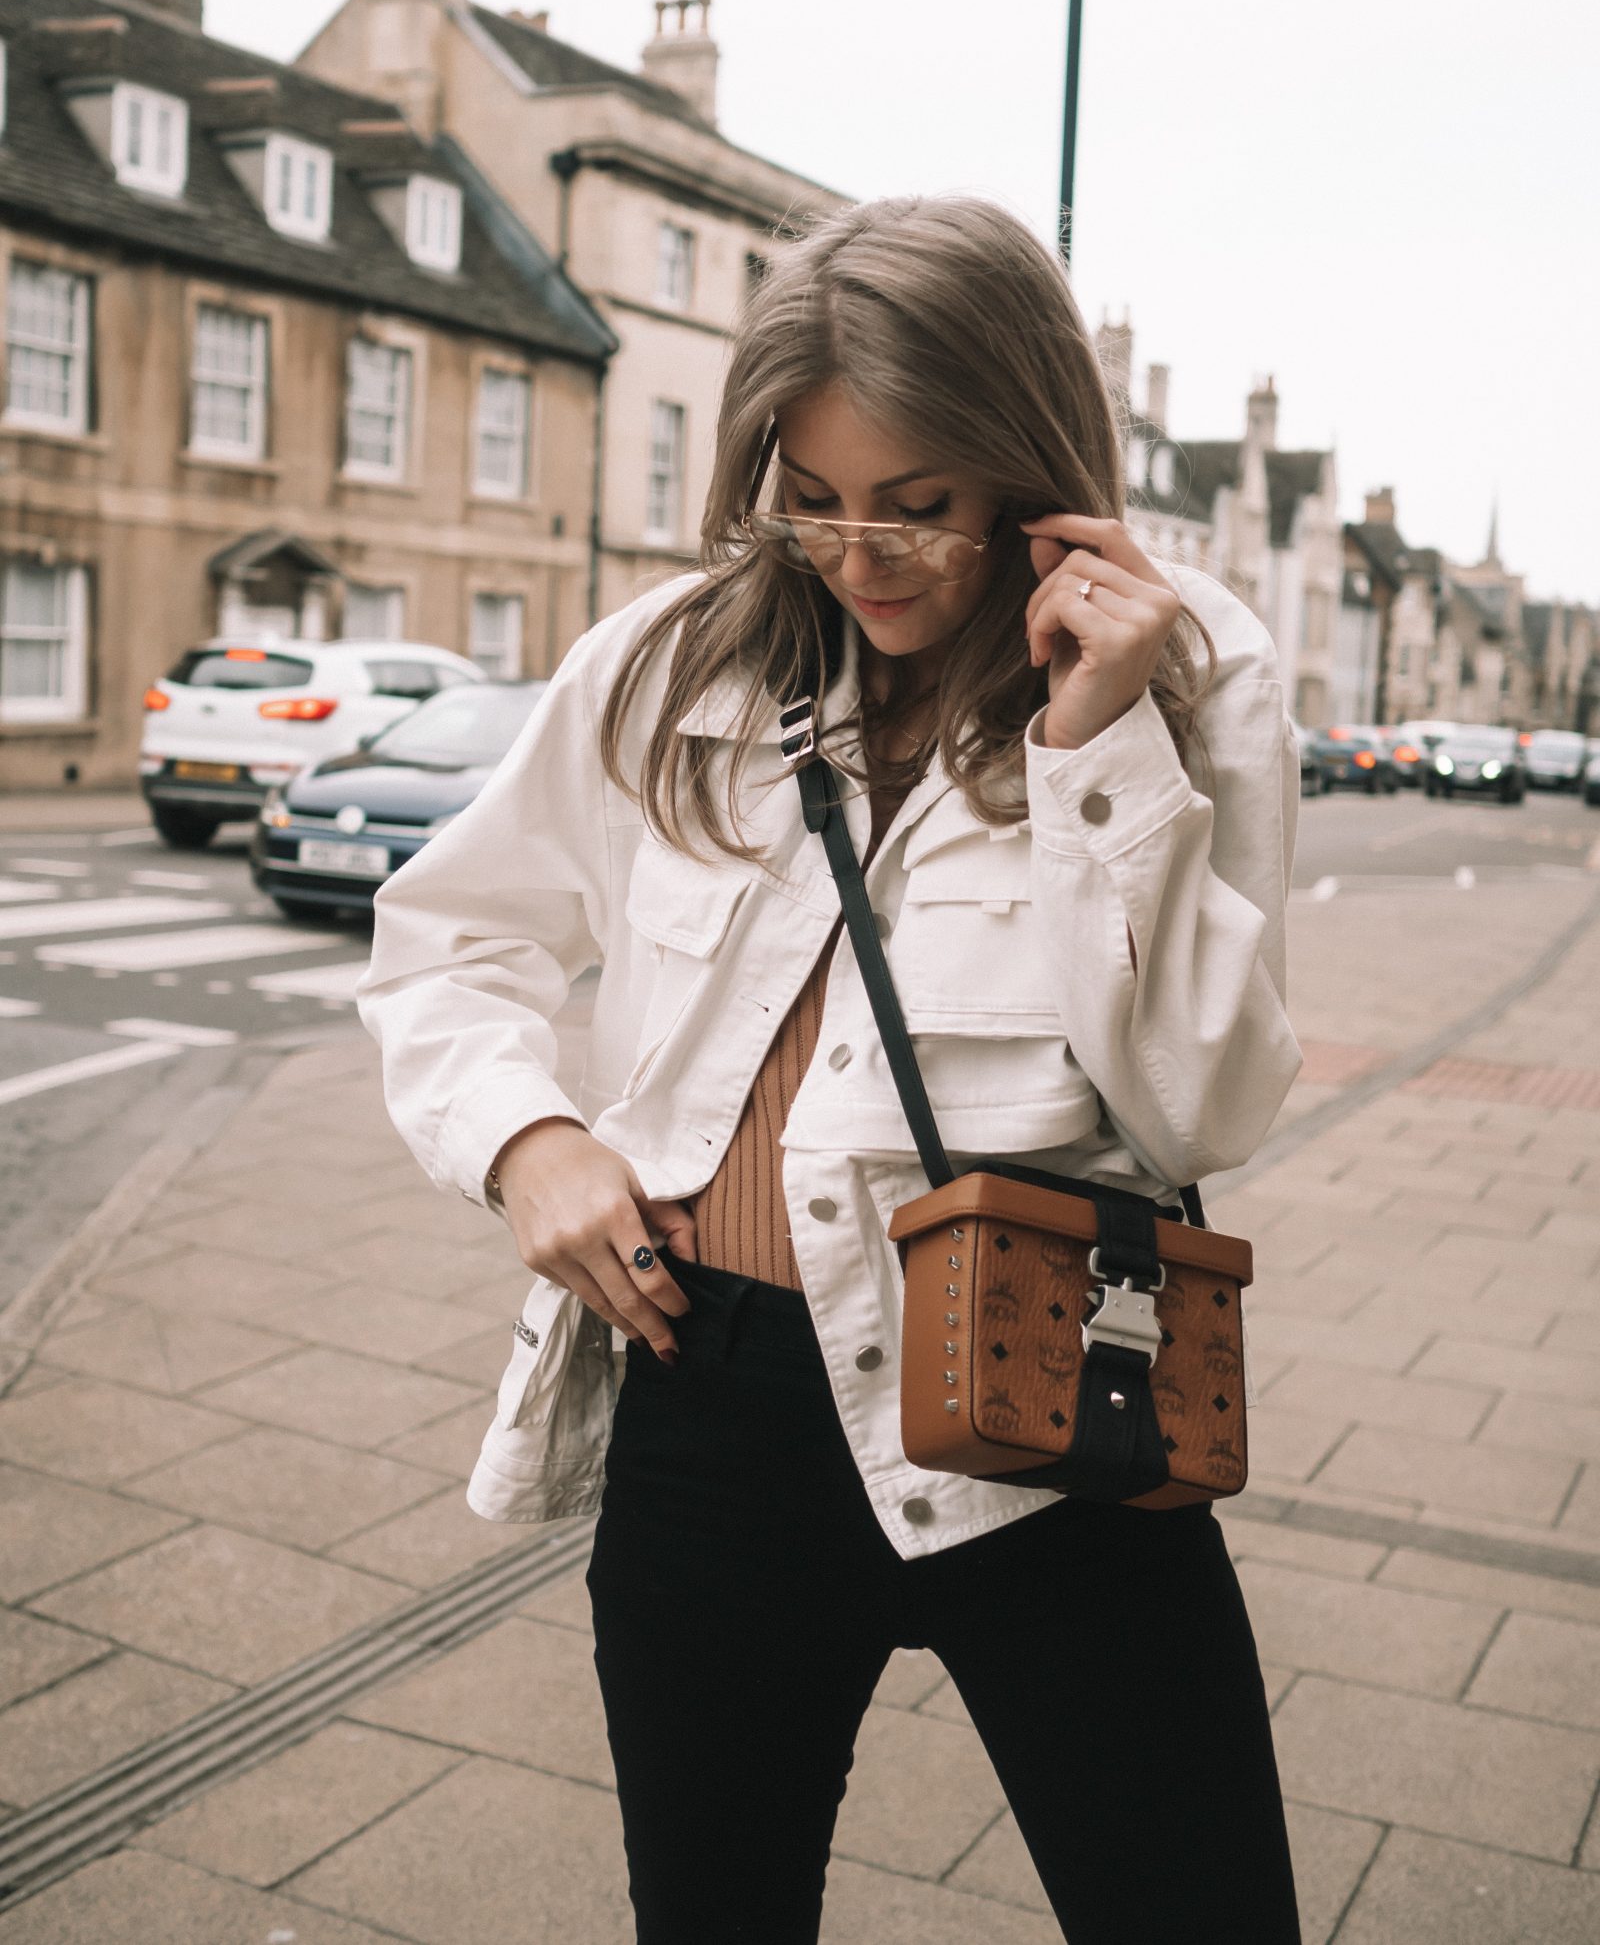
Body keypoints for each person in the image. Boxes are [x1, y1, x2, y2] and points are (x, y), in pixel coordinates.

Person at [357, 194, 1304, 1944]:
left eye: (922, 510)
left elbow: (1201, 1108)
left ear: (1031, 471)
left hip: (1046, 1393)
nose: (860, 555)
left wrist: (1097, 752)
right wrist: (528, 1137)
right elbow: (446, 935)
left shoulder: (1193, 677)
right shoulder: (664, 663)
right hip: (713, 1405)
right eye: (812, 498)